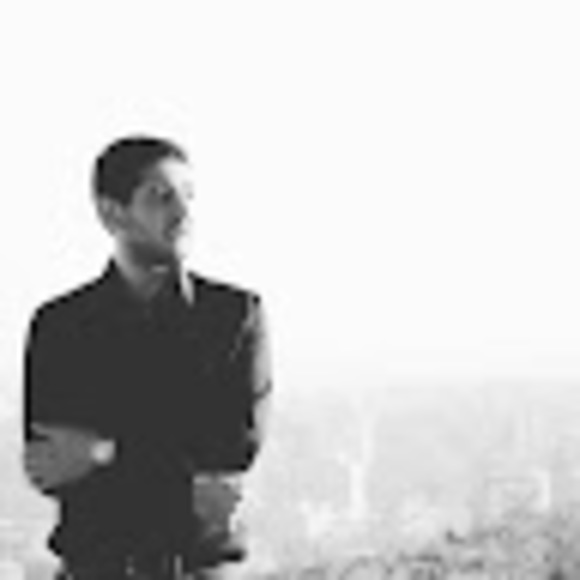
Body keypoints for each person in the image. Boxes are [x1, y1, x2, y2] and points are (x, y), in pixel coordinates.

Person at [22, 136, 273, 579]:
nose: (184, 212)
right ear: (111, 212)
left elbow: (232, 449)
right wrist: (179, 462)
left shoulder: (233, 317)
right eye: (162, 197)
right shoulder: (61, 326)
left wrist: (105, 451)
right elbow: (52, 467)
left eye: (189, 196)